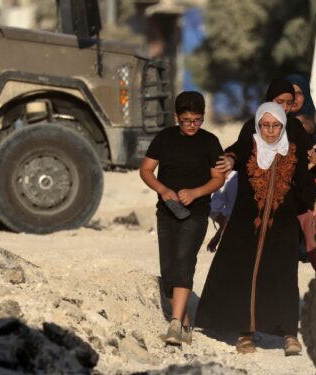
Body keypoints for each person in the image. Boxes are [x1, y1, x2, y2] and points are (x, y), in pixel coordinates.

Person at [195, 102, 316, 356]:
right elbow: (234, 153)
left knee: (283, 276)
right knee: (246, 276)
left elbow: (304, 182)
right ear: (258, 125)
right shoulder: (250, 143)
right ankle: (245, 334)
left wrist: (315, 199)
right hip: (247, 225)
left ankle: (288, 335)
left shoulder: (292, 149)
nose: (271, 131)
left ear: (283, 126)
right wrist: (230, 161)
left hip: (282, 225)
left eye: (276, 126)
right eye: (265, 125)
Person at [139, 91, 225, 346]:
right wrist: (163, 190)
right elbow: (145, 170)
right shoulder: (164, 138)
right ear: (176, 117)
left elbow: (218, 178)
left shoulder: (210, 142)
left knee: (184, 261)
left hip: (196, 213)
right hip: (166, 212)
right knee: (168, 270)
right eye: (186, 120)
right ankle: (185, 323)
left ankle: (175, 325)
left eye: (197, 120)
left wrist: (195, 192)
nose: (192, 126)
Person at [220, 79, 316, 175]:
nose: (284, 107)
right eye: (279, 102)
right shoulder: (253, 125)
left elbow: (306, 155)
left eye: (289, 103)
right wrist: (231, 159)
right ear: (270, 99)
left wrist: (315, 157)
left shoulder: (295, 126)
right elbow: (240, 150)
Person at [286, 74, 316, 175]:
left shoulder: (315, 124)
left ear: (306, 96)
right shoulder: (271, 123)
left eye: (299, 93)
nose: (294, 98)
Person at [206, 170, 237, 252]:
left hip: (232, 232)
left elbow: (213, 208)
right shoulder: (231, 178)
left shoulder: (230, 177)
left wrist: (222, 228)